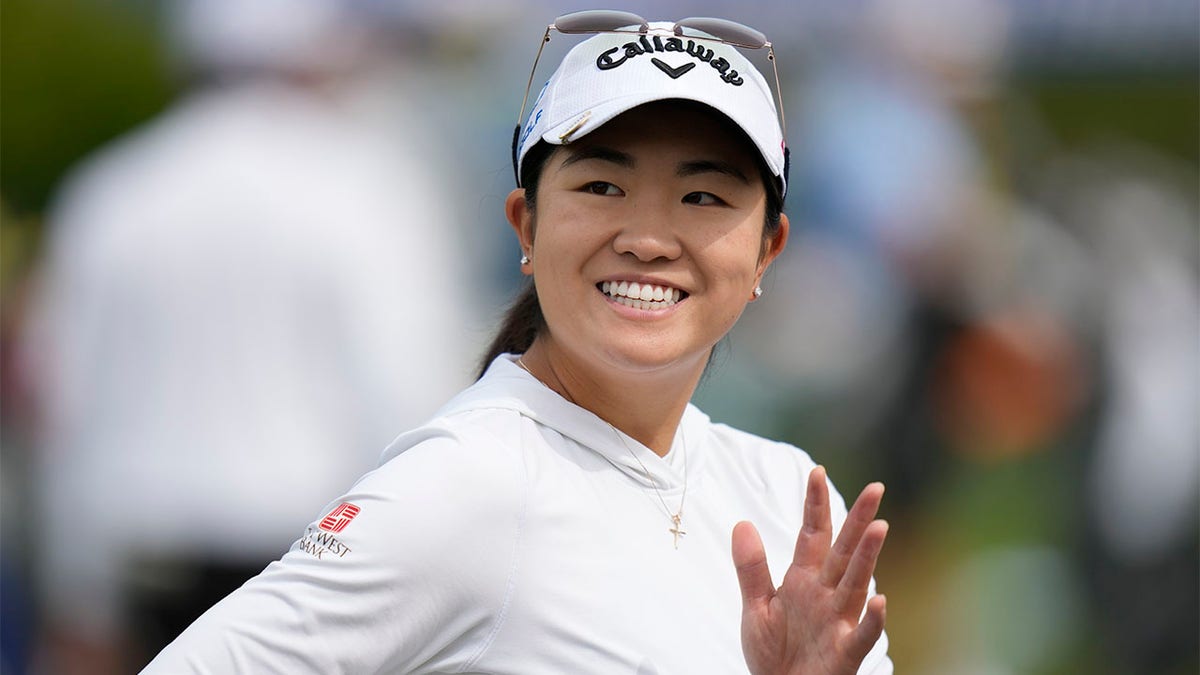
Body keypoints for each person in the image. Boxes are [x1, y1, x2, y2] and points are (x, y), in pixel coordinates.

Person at [142, 10, 892, 674]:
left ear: (769, 250)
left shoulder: (789, 499)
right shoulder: (469, 483)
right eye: (603, 186)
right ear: (526, 225)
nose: (649, 239)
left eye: (704, 196)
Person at [20, 1, 474, 672]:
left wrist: (75, 595)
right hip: (304, 571)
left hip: (146, 570)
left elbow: (60, 403)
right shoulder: (364, 181)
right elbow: (408, 397)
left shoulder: (112, 188)